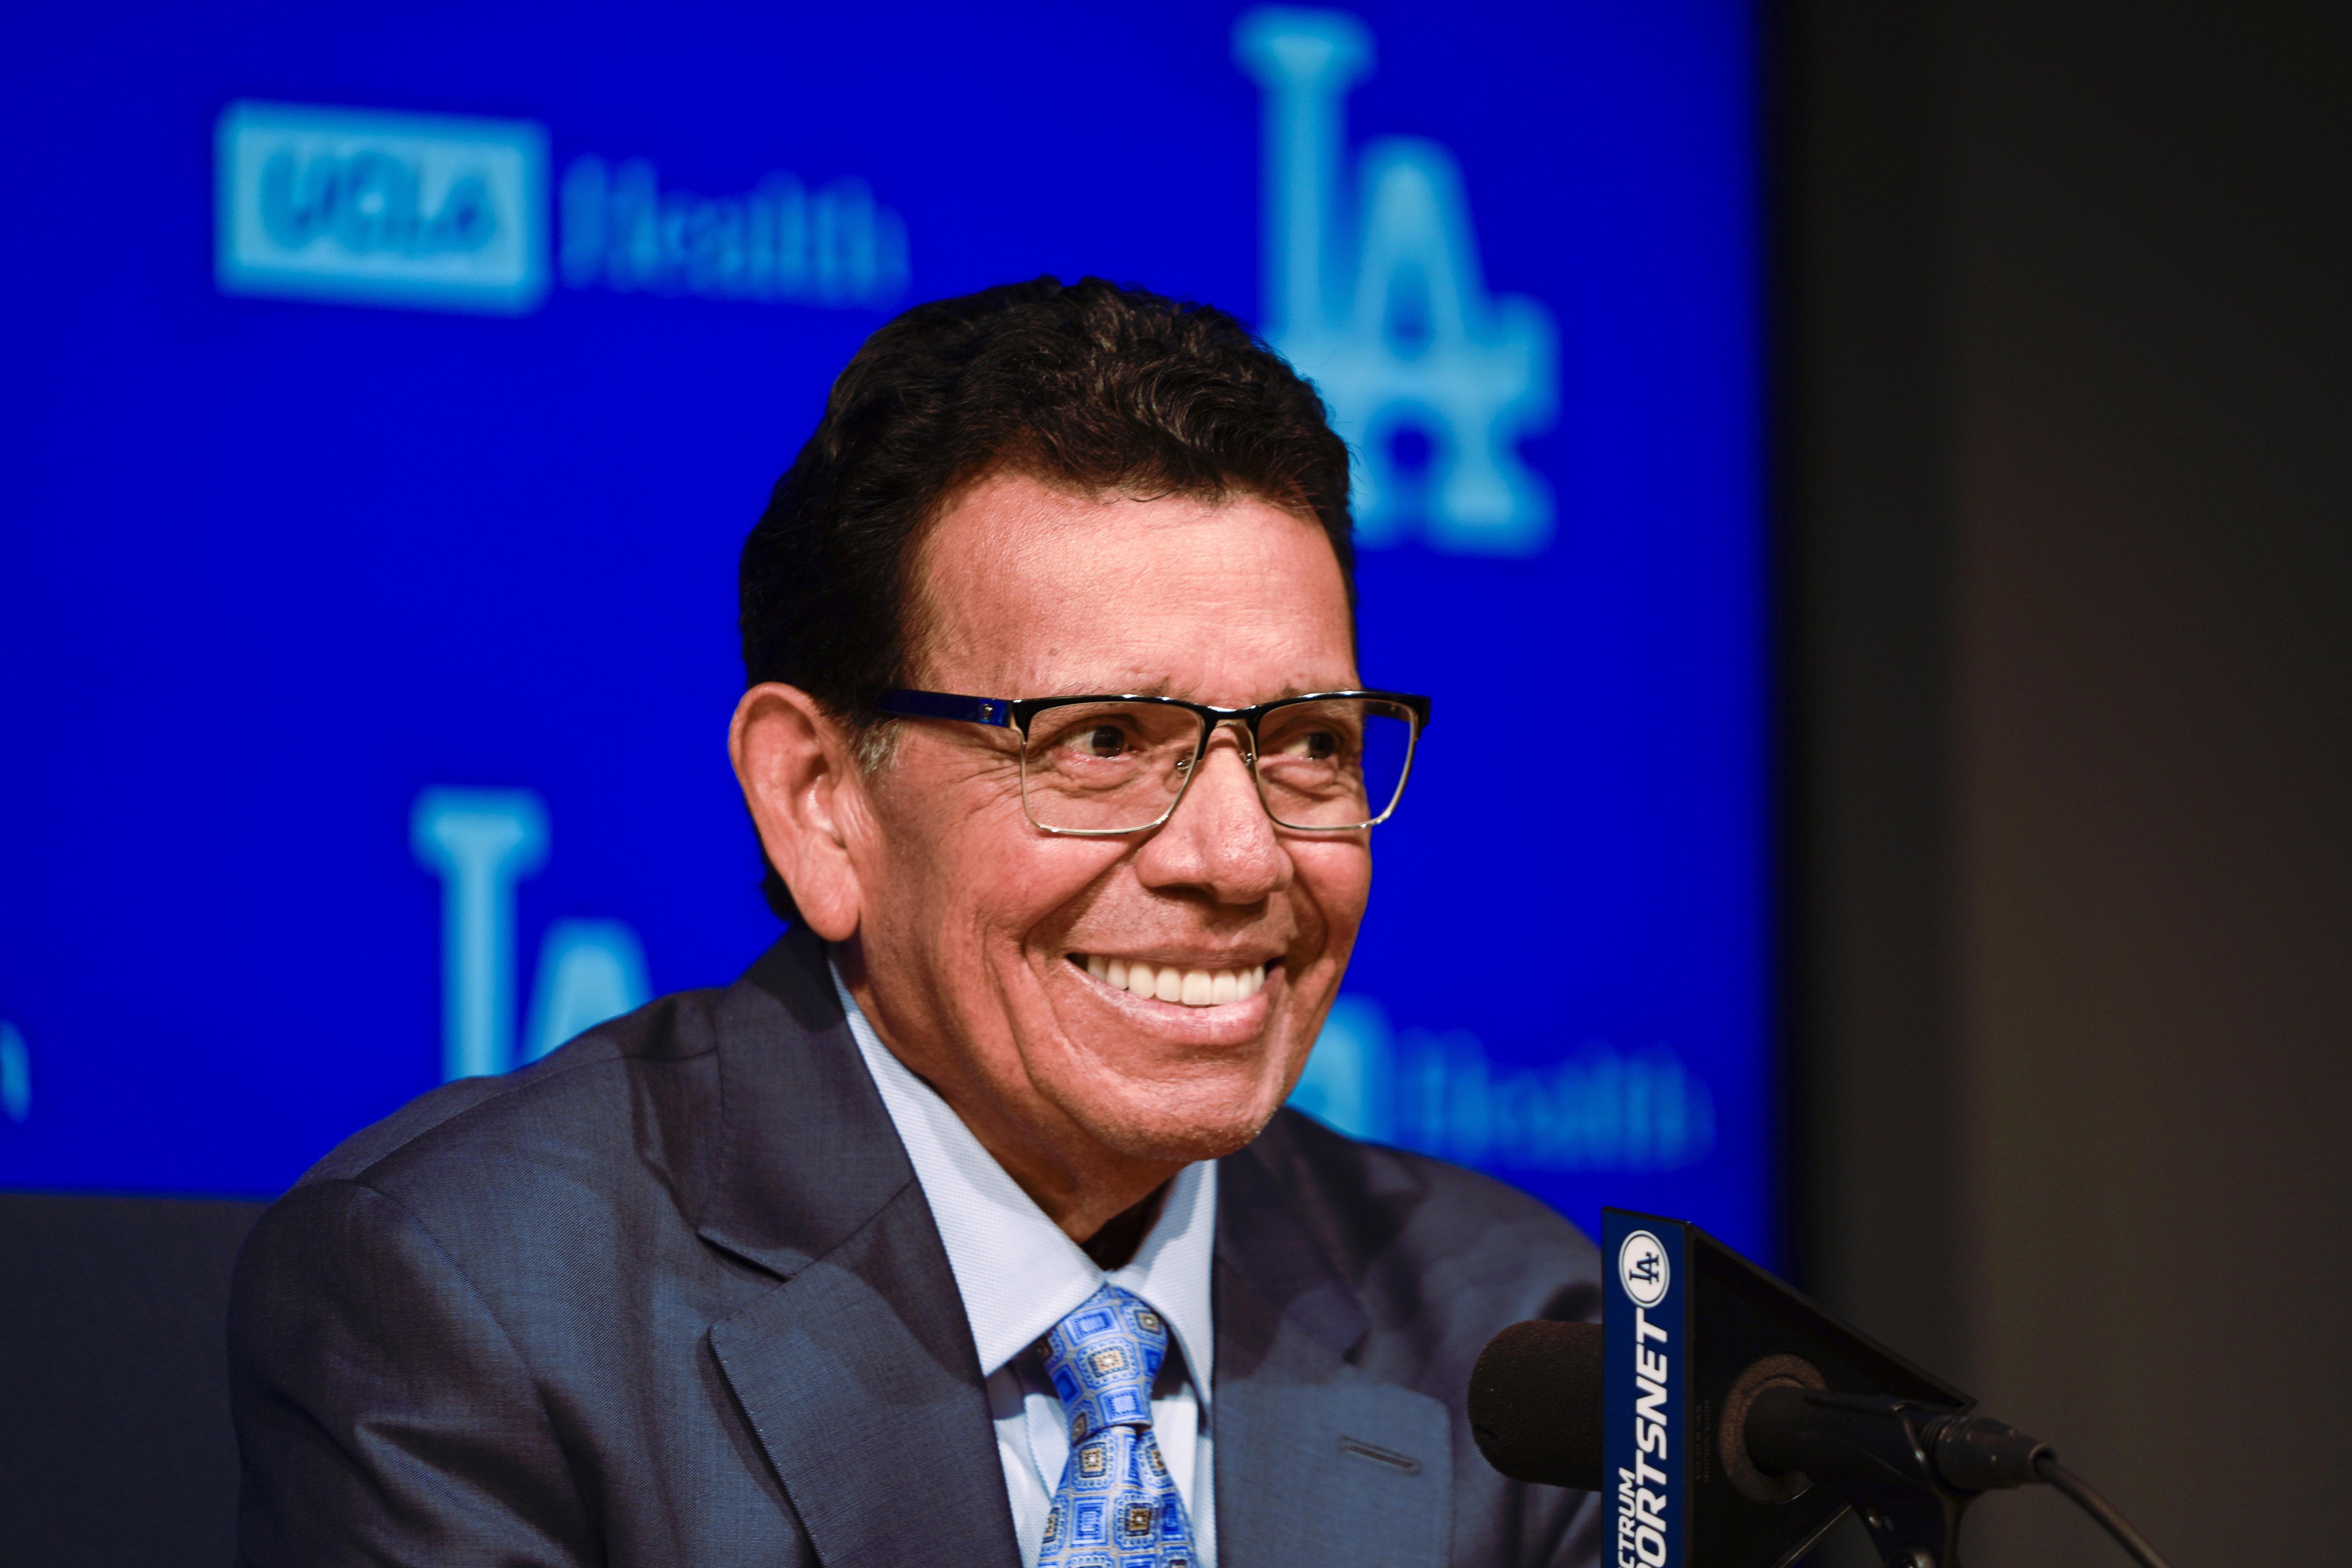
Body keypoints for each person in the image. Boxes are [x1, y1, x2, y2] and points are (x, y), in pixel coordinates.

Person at [228, 278, 1601, 1567]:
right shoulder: (478, 1304)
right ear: (821, 802)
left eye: (1308, 740)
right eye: (1104, 740)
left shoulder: (1524, 1347)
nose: (1240, 858)